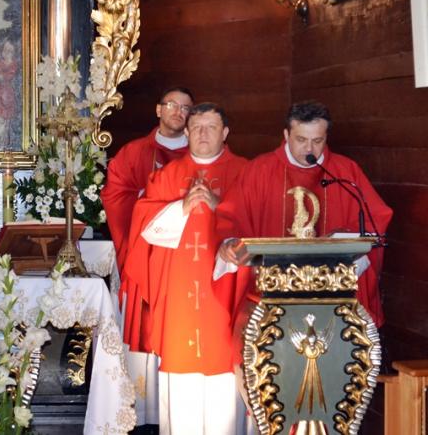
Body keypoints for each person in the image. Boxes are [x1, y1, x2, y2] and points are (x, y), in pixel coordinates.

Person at [122, 103, 248, 433]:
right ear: (187, 133)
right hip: (179, 301)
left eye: (211, 127)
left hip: (227, 301)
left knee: (224, 380)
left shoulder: (245, 173)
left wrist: (220, 206)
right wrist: (180, 207)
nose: (203, 134)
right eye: (196, 128)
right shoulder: (166, 176)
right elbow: (143, 228)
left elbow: (259, 225)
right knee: (181, 391)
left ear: (225, 132)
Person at [216, 100, 394, 328]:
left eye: (317, 141)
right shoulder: (259, 170)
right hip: (270, 291)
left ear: (326, 137)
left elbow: (375, 217)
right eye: (301, 140)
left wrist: (352, 249)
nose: (309, 149)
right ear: (286, 134)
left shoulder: (345, 172)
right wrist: (229, 242)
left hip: (332, 290)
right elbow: (231, 216)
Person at [100, 87, 193, 426]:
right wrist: (146, 202)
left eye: (186, 108)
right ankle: (144, 414)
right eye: (172, 105)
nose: (178, 112)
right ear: (158, 110)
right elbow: (114, 196)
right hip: (145, 260)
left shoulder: (200, 154)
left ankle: (176, 414)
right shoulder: (134, 153)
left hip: (185, 264)